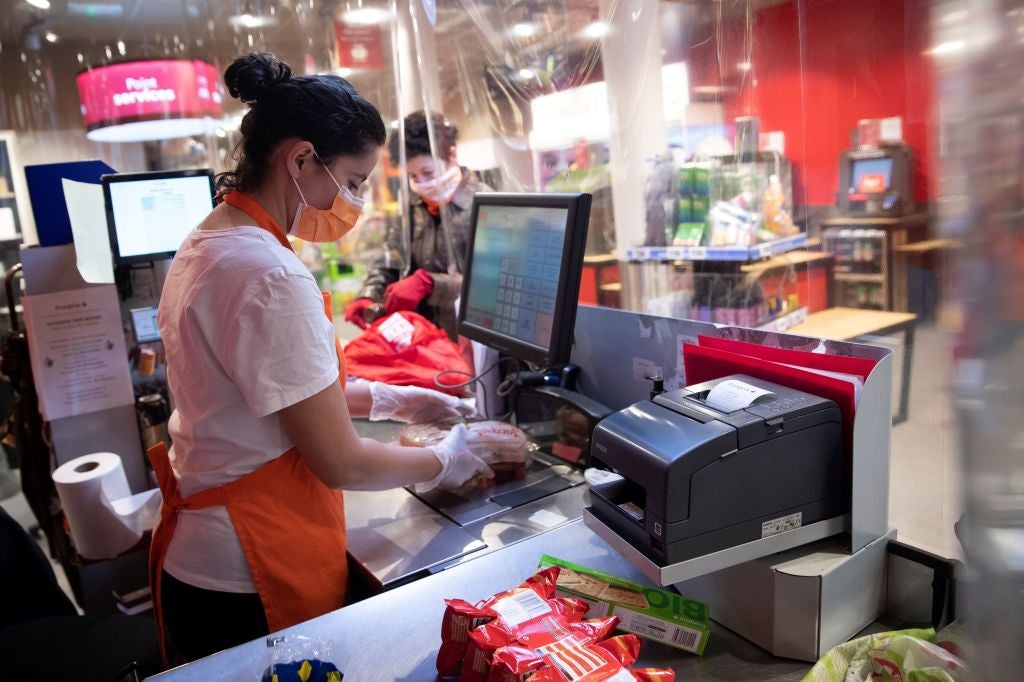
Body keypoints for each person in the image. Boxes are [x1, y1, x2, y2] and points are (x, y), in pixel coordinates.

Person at [151, 53, 492, 663]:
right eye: (354, 181)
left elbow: (272, 391)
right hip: (249, 570)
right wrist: (446, 460)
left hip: (204, 560)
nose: (355, 201)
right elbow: (341, 461)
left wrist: (393, 397)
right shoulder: (268, 274)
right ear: (302, 159)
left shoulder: (211, 242)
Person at [344, 111, 491, 338]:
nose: (420, 183)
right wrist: (370, 293)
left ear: (452, 155)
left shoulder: (486, 205)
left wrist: (430, 283)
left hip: (469, 339)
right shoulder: (412, 206)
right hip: (422, 337)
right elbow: (390, 258)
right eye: (412, 176)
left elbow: (490, 282)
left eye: (427, 172)